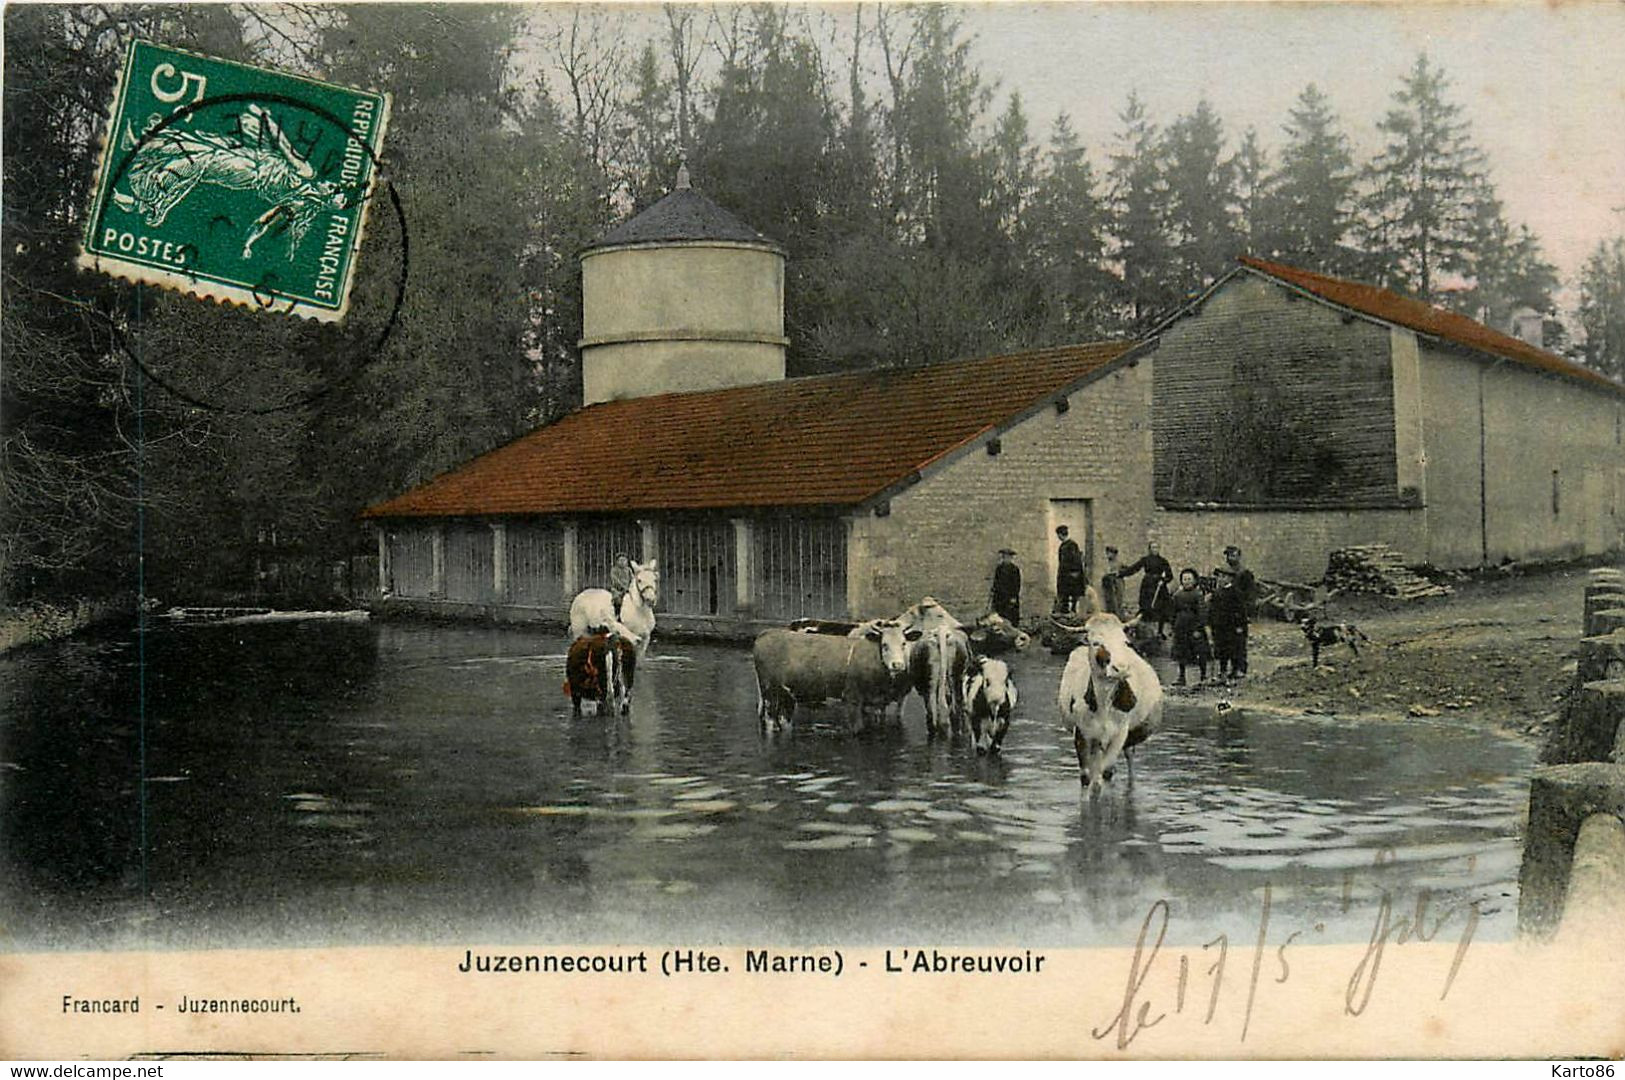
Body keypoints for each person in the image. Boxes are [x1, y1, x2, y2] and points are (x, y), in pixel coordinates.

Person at [1208, 544, 1257, 681]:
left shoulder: (1245, 573)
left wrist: (1246, 614)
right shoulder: (1223, 576)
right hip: (1223, 621)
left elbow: (1248, 596)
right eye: (1229, 555)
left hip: (1236, 616)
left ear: (1239, 557)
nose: (1231, 558)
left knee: (1238, 646)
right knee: (1223, 647)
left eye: (1234, 555)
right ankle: (1224, 671)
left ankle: (1239, 669)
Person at [1120, 540, 1174, 636]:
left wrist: (1164, 581)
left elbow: (1170, 575)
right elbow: (1134, 568)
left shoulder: (1163, 561)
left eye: (1157, 547)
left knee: (1162, 607)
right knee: (1145, 606)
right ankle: (1138, 629)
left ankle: (1160, 631)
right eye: (1153, 547)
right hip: (1148, 585)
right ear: (1149, 549)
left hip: (1159, 586)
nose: (1155, 549)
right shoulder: (1145, 560)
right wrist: (1122, 574)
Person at [1169, 568, 1211, 687]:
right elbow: (1173, 611)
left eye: (1189, 579)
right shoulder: (1177, 595)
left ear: (1194, 581)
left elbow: (1202, 612)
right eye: (1184, 579)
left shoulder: (1198, 594)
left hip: (1194, 628)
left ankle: (1203, 675)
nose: (1187, 581)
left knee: (1200, 651)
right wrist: (1173, 625)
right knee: (1181, 652)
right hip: (1181, 627)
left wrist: (1199, 628)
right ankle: (1181, 676)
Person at [1054, 526, 1087, 614]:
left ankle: (1073, 612)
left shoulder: (1072, 545)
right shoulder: (1063, 545)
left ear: (1061, 534)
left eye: (1058, 535)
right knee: (1064, 594)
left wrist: (1074, 572)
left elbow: (1076, 560)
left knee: (1073, 595)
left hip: (1071, 575)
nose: (1058, 537)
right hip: (1065, 575)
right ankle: (1065, 612)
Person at [989, 548, 1022, 624]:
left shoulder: (1014, 569)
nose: (1006, 559)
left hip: (1010, 596)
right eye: (1004, 557)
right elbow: (996, 581)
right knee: (1000, 614)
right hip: (1000, 596)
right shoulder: (999, 568)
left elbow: (1017, 584)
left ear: (1011, 558)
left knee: (1011, 614)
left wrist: (1013, 597)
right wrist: (993, 590)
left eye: (1008, 558)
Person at [1100, 545, 1126, 619]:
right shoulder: (1106, 562)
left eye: (1110, 553)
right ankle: (1109, 614)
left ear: (1114, 554)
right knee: (1108, 599)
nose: (1108, 555)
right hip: (1107, 582)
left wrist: (1120, 573)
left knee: (1118, 600)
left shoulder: (1119, 562)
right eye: (1107, 553)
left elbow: (1127, 569)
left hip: (1117, 581)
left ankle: (1118, 617)